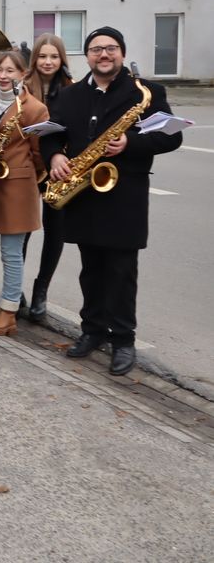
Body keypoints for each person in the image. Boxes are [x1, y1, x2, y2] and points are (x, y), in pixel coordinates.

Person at [41, 26, 181, 375]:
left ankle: (123, 341)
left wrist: (130, 144)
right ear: (87, 55)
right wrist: (55, 156)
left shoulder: (147, 93)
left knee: (121, 271)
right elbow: (50, 134)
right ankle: (92, 332)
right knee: (91, 271)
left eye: (111, 48)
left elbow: (171, 136)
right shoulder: (70, 96)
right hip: (84, 194)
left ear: (121, 52)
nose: (104, 54)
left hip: (125, 198)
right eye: (96, 49)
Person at [0, 49, 49, 337]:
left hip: (16, 186)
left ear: (23, 74)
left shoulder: (35, 108)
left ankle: (8, 313)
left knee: (11, 253)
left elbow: (41, 154)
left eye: (9, 71)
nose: (3, 76)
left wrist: (25, 174)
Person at [20, 33, 74, 321]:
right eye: (43, 56)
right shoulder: (23, 88)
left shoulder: (72, 90)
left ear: (61, 59)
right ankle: (16, 291)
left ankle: (41, 291)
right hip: (28, 167)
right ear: (35, 59)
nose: (48, 61)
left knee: (56, 232)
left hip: (58, 170)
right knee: (22, 231)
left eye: (54, 56)